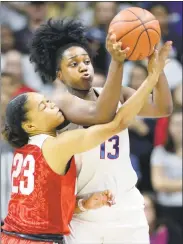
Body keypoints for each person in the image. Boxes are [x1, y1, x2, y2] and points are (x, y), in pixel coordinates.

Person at [30, 18, 173, 244]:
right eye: (73, 64)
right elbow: (101, 114)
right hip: (84, 210)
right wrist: (117, 63)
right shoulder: (61, 103)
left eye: (86, 61)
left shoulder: (116, 93)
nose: (83, 67)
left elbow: (162, 107)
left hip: (126, 207)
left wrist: (156, 68)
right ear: (59, 74)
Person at [1, 61, 161, 244]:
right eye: (43, 107)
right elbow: (117, 124)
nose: (52, 105)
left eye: (47, 101)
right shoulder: (56, 145)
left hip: (11, 236)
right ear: (30, 126)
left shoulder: (23, 150)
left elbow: (44, 204)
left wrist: (82, 204)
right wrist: (150, 81)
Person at [151, 108, 182, 228]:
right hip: (168, 208)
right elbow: (158, 183)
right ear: (169, 127)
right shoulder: (160, 152)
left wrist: (170, 184)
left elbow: (164, 183)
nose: (180, 129)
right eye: (177, 124)